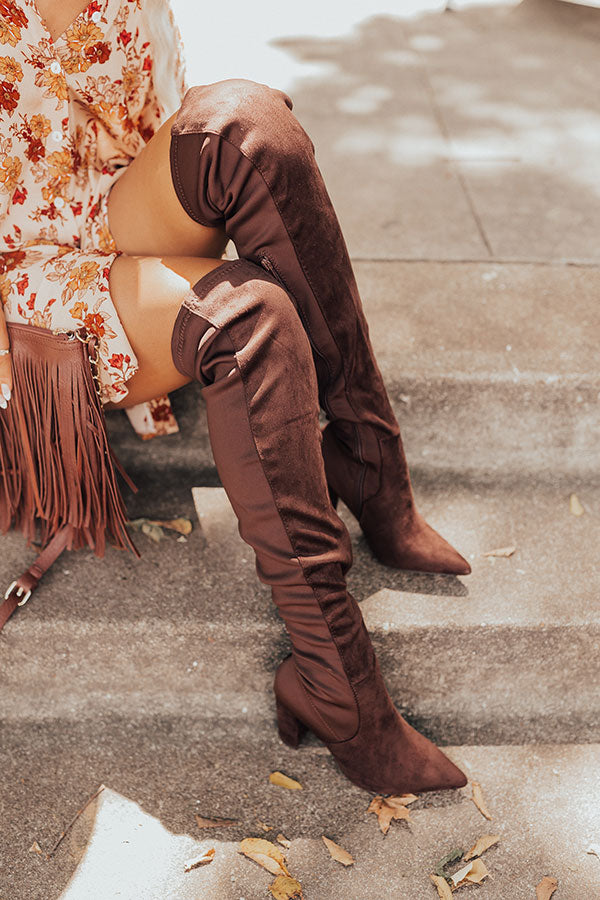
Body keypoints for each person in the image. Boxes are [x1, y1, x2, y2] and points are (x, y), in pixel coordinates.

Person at [0, 0, 471, 793]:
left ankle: (369, 466)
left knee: (248, 128)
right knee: (245, 317)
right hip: (20, 280)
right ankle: (338, 686)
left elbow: (144, 111)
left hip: (92, 203)